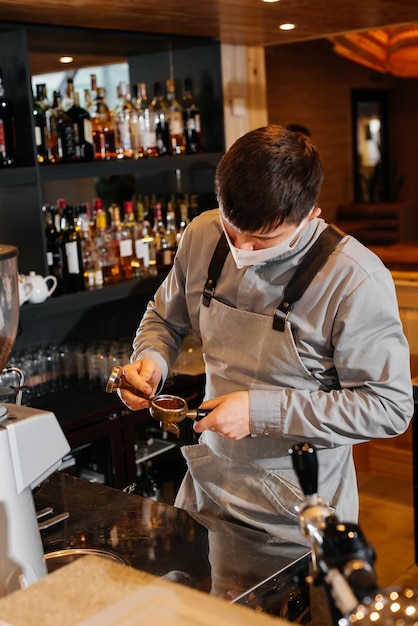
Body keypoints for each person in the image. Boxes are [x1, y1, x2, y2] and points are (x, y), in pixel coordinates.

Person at [117, 125, 413, 545]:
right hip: (209, 488)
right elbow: (164, 318)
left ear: (311, 214)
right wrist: (152, 359)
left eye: (263, 239)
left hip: (301, 511)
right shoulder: (203, 233)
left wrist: (260, 413)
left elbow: (388, 407)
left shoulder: (354, 279)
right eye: (233, 230)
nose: (244, 251)